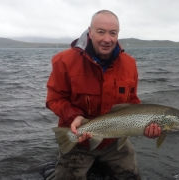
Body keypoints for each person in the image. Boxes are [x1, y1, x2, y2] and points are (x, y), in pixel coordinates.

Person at [46, 10, 161, 180]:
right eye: (101, 32)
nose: (107, 39)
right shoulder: (64, 60)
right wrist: (75, 116)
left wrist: (146, 124)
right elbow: (54, 99)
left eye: (113, 33)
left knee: (131, 176)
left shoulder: (130, 64)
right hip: (78, 138)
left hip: (114, 140)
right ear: (90, 32)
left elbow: (133, 101)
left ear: (118, 35)